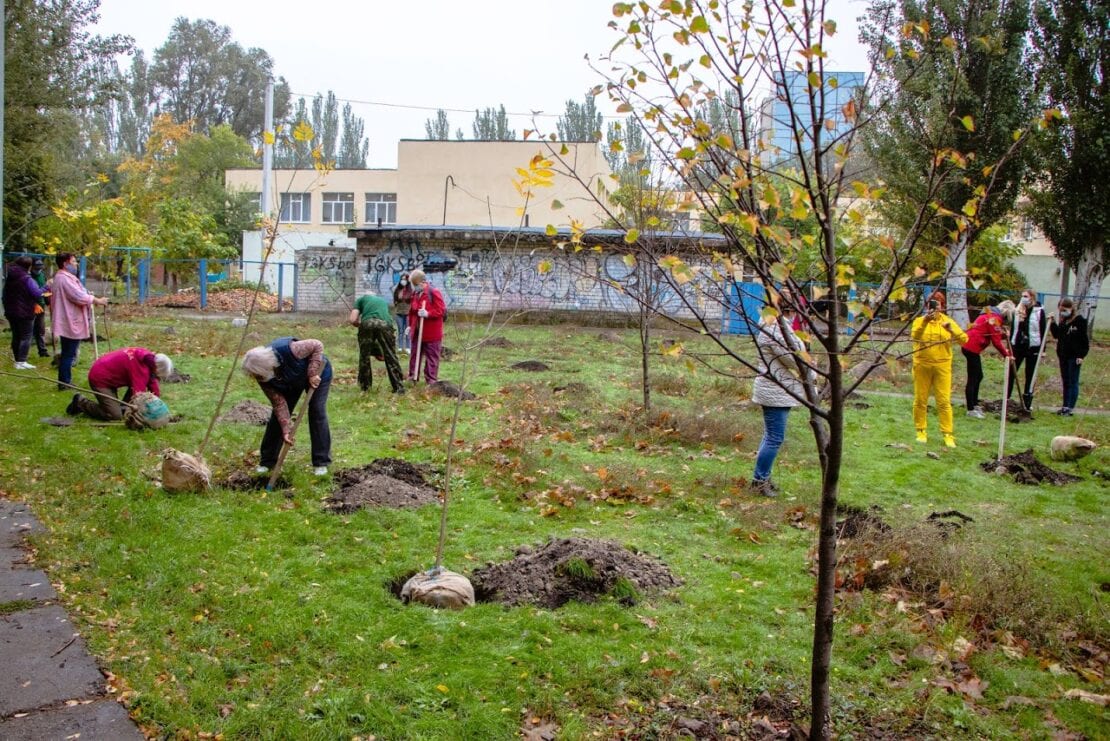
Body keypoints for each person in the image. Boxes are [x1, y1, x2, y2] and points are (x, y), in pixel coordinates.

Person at [242, 337, 332, 476]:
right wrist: (286, 429)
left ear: (269, 366)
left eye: (259, 375)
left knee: (317, 412)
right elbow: (279, 404)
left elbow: (317, 344)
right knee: (278, 419)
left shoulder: (291, 350)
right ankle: (267, 462)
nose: (258, 378)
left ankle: (321, 463)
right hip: (289, 383)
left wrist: (312, 373)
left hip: (317, 373)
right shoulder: (262, 377)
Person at [750, 298, 809, 497]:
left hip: (777, 387)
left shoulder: (776, 327)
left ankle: (761, 477)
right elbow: (795, 359)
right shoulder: (775, 330)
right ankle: (759, 481)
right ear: (787, 310)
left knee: (770, 436)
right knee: (775, 437)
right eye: (794, 310)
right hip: (774, 389)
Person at [910, 291, 968, 447]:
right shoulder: (919, 321)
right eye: (932, 304)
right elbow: (915, 336)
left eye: (938, 304)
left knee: (943, 401)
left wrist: (951, 330)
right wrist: (925, 322)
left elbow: (964, 340)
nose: (935, 308)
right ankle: (921, 430)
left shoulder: (948, 322)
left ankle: (948, 434)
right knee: (920, 399)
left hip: (943, 366)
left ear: (943, 307)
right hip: (922, 364)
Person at [50, 253, 107, 389]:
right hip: (70, 320)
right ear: (65, 264)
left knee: (67, 352)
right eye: (74, 262)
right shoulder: (64, 278)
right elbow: (77, 296)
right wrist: (97, 300)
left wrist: (89, 295)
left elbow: (79, 293)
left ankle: (64, 381)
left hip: (69, 318)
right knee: (69, 353)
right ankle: (64, 382)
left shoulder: (63, 277)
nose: (76, 264)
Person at [67, 347, 173, 420]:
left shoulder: (147, 358)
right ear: (157, 368)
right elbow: (138, 395)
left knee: (124, 409)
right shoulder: (141, 369)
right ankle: (81, 403)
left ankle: (123, 409)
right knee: (114, 415)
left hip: (109, 376)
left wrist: (159, 404)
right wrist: (144, 413)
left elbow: (152, 382)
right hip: (100, 378)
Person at [960, 300, 1014, 419]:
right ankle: (971, 408)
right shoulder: (994, 319)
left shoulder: (990, 315)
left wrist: (1004, 335)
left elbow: (993, 334)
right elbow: (996, 341)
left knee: (978, 376)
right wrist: (1007, 355)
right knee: (973, 378)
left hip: (970, 345)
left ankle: (974, 404)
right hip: (971, 347)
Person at [349, 291, 405, 393]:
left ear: (365, 296)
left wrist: (359, 324)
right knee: (390, 355)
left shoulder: (360, 300)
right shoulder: (382, 301)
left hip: (367, 323)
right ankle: (399, 388)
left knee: (364, 357)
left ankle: (365, 388)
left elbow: (353, 319)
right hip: (385, 324)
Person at [2, 256, 45, 370]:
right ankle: (21, 361)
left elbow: (4, 295)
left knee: (16, 335)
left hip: (11, 312)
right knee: (26, 336)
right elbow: (37, 293)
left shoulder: (10, 277)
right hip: (25, 312)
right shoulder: (27, 279)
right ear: (29, 266)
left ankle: (17, 360)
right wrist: (45, 287)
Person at [1007, 288, 1047, 408]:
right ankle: (1007, 398)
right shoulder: (1017, 310)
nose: (1023, 298)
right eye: (1022, 296)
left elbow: (1043, 329)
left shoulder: (1039, 311)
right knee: (1011, 372)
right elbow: (1014, 328)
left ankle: (1027, 402)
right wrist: (1010, 345)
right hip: (1018, 346)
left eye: (1026, 296)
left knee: (1030, 375)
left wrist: (1043, 349)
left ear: (1032, 298)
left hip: (1033, 347)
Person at [1049, 298, 1089, 416]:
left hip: (1074, 356)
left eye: (1065, 310)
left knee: (1073, 381)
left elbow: (1084, 341)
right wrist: (1052, 323)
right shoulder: (1063, 321)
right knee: (1066, 381)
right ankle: (1065, 406)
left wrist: (1081, 355)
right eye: (1061, 310)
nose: (1062, 312)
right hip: (1063, 355)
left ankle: (1070, 407)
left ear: (1071, 309)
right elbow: (1057, 335)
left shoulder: (1079, 321)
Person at [406, 269, 446, 383]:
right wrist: (410, 326)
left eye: (416, 285)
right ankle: (412, 377)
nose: (414, 287)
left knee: (431, 357)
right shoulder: (415, 294)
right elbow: (412, 312)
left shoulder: (433, 292)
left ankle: (431, 380)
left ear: (422, 282)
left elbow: (441, 310)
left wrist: (428, 313)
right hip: (417, 331)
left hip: (431, 333)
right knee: (414, 355)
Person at [30, 258, 51, 358]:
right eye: (36, 267)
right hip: (30, 307)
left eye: (40, 268)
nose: (38, 270)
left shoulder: (42, 275)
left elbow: (46, 290)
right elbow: (27, 292)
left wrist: (48, 302)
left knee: (40, 329)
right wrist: (33, 304)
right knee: (28, 330)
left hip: (41, 306)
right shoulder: (28, 277)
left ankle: (42, 351)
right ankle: (22, 354)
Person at [393, 272, 414, 353]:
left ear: (408, 281)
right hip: (399, 313)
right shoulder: (397, 290)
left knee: (407, 331)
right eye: (402, 279)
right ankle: (400, 347)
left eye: (405, 279)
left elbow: (413, 302)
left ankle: (408, 348)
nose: (403, 281)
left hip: (408, 314)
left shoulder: (411, 291)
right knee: (400, 331)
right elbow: (395, 301)